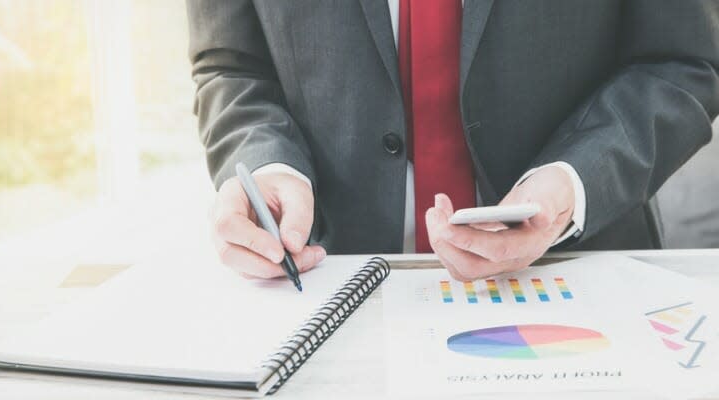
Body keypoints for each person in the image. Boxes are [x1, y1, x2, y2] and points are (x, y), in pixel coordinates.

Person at [186, 1, 719, 281]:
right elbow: (230, 66)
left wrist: (570, 185)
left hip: (579, 276)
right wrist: (270, 168)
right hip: (328, 283)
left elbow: (681, 61)